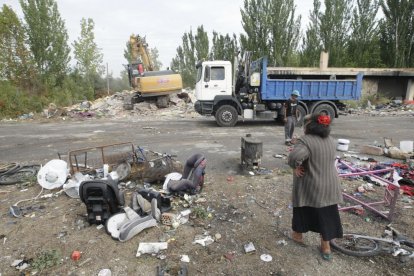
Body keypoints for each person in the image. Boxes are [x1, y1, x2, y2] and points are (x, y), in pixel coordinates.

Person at [286, 113, 343, 261]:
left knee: (302, 209)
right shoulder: (332, 140)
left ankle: (297, 236)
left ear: (309, 126)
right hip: (330, 185)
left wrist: (295, 167)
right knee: (327, 216)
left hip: (311, 185)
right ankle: (326, 247)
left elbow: (294, 157)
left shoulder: (305, 141)